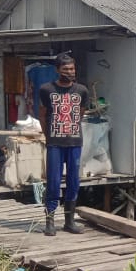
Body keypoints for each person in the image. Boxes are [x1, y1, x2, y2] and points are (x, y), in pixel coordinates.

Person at [39, 54, 89, 236]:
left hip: (75, 142)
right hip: (55, 143)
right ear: (57, 70)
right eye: (66, 69)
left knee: (73, 181)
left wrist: (69, 129)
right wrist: (49, 136)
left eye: (72, 69)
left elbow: (80, 114)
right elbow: (43, 115)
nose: (70, 72)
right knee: (53, 182)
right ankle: (50, 222)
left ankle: (69, 221)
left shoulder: (82, 90)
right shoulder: (46, 89)